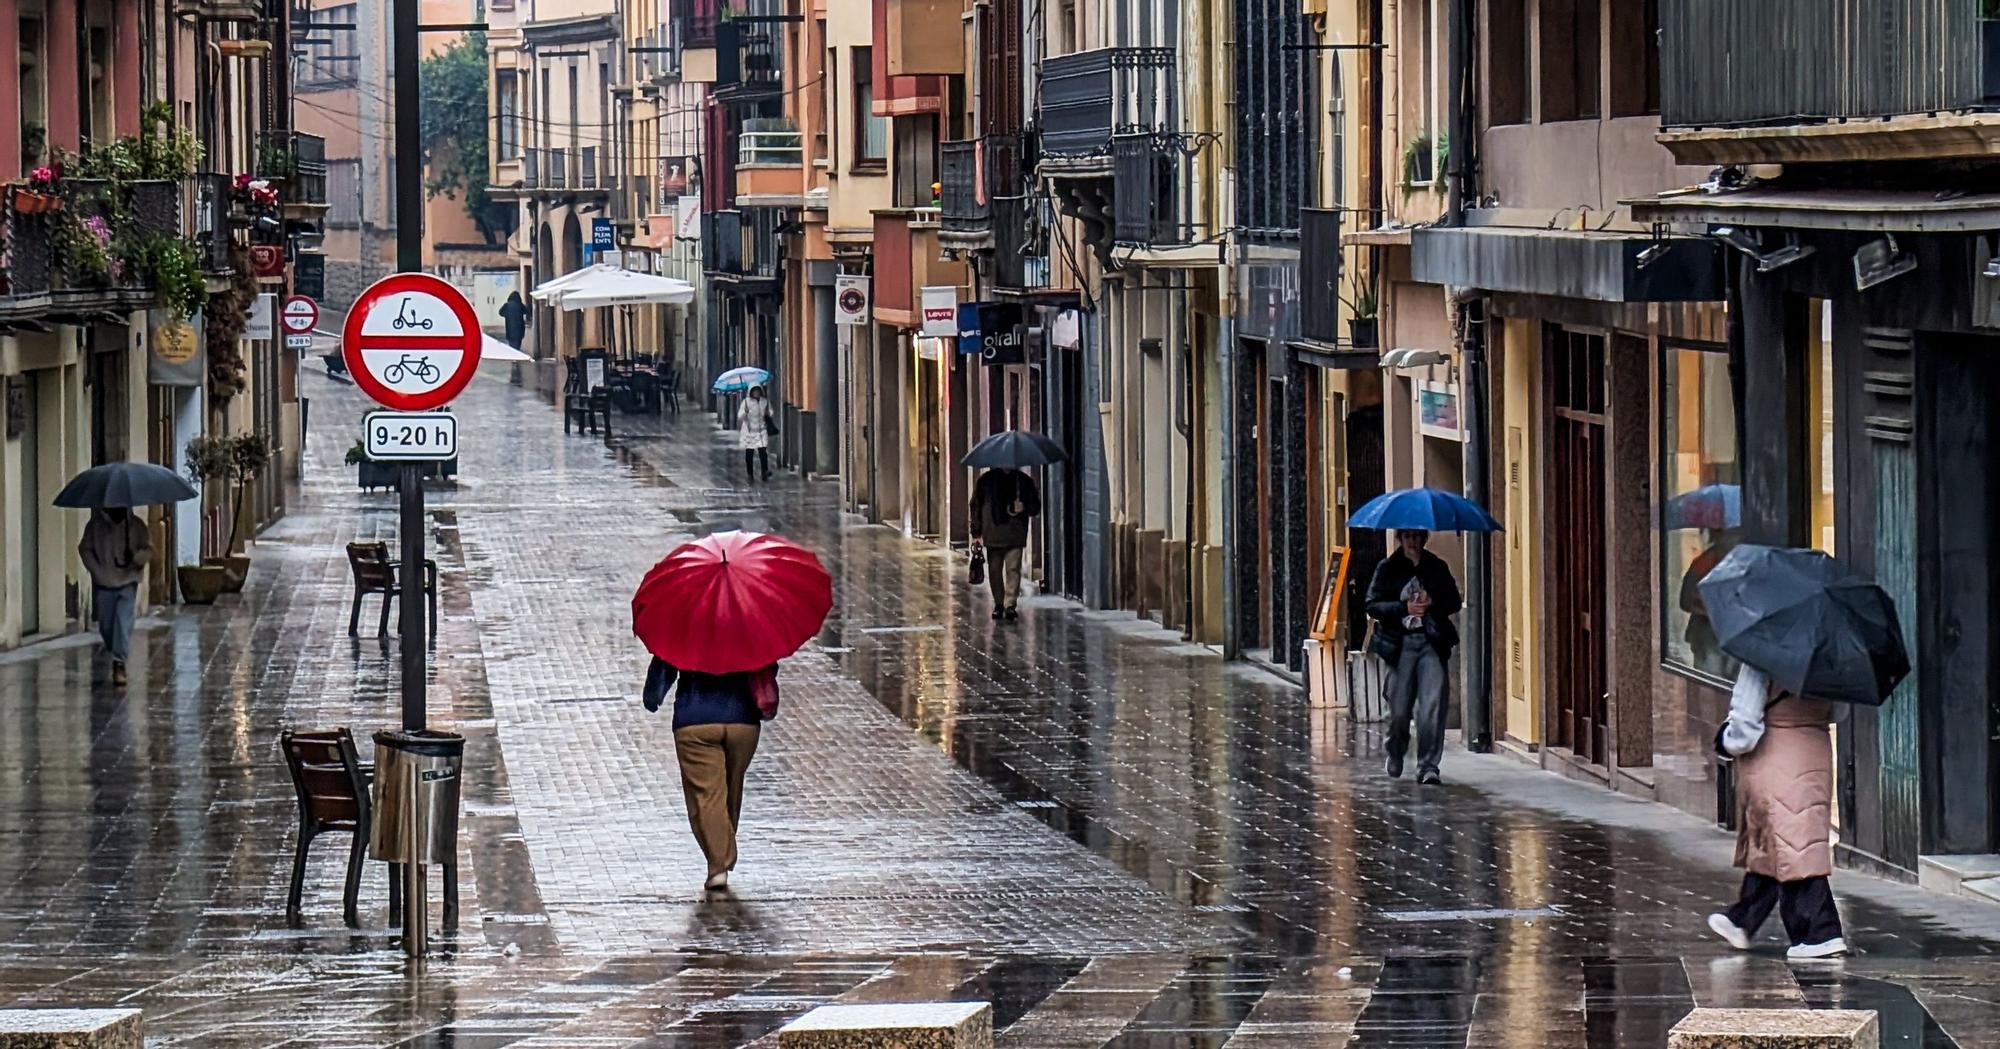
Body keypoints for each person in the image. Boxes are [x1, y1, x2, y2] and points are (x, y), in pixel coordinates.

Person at [1708, 663, 1847, 958]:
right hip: (1814, 748)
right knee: (1786, 837)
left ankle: (1820, 932)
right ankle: (1743, 919)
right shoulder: (1831, 659)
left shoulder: (1761, 658)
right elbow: (1840, 712)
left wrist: (1725, 741)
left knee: (1793, 843)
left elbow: (1744, 727)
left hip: (1774, 753)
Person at [644, 656, 770, 891]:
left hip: (695, 721)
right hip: (743, 721)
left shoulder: (683, 625)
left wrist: (652, 697)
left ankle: (719, 863)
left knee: (707, 796)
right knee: (730, 790)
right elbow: (767, 667)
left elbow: (662, 670)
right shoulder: (749, 626)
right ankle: (722, 850)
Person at [1364, 528, 1461, 784]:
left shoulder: (1436, 567)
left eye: (1418, 537)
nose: (1413, 543)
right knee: (1398, 710)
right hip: (1400, 645)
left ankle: (1428, 765)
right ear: (1400, 539)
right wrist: (1402, 607)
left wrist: (1432, 602)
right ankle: (1395, 751)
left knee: (1432, 706)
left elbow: (1453, 601)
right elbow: (1372, 604)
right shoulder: (1388, 568)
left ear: (1424, 539)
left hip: (1431, 643)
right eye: (1408, 537)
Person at [79, 507, 152, 687]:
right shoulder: (95, 526)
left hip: (127, 582)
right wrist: (96, 570)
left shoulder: (136, 526)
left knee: (122, 621)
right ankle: (117, 649)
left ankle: (119, 663)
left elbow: (148, 549)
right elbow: (85, 549)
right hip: (104, 582)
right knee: (107, 626)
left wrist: (137, 558)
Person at [969, 467, 1040, 621]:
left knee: (1013, 569)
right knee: (994, 571)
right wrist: (976, 532)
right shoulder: (985, 481)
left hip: (1015, 534)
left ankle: (1010, 605)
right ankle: (999, 603)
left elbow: (1035, 508)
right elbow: (975, 506)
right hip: (992, 534)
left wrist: (1024, 506)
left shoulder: (1023, 481)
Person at [738, 385, 772, 483]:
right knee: (749, 453)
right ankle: (750, 473)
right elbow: (740, 416)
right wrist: (745, 412)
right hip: (749, 431)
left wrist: (768, 413)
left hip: (761, 430)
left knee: (763, 452)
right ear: (751, 392)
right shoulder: (745, 402)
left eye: (758, 391)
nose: (756, 393)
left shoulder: (764, 401)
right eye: (754, 391)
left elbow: (771, 411)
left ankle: (764, 471)